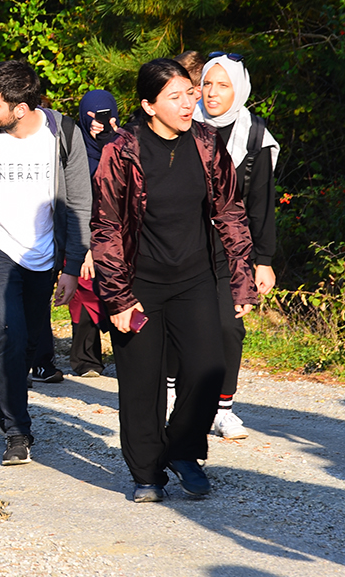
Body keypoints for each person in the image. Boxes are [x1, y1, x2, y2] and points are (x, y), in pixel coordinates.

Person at [91, 58, 257, 502]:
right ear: (149, 105)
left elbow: (230, 211)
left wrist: (242, 277)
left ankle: (183, 450)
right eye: (176, 96)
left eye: (191, 92)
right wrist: (118, 298)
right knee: (142, 381)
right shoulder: (120, 151)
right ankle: (147, 472)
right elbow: (106, 228)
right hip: (138, 285)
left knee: (208, 368)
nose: (190, 103)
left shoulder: (206, 143)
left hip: (195, 278)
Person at [0, 61, 90, 468]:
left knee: (30, 339)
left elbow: (80, 201)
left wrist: (72, 265)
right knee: (8, 330)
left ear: (21, 107)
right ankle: (16, 430)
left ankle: (4, 405)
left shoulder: (64, 134)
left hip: (43, 253)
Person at [194, 53, 280, 440]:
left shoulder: (255, 135)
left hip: (232, 245)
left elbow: (261, 203)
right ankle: (173, 397)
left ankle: (223, 408)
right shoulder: (181, 123)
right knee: (181, 324)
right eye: (207, 84)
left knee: (229, 327)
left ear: (239, 89)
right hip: (182, 239)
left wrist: (263, 260)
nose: (212, 93)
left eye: (222, 85)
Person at [70, 90, 121, 378]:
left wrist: (113, 144)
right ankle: (86, 359)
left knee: (119, 293)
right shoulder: (73, 150)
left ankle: (127, 357)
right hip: (83, 234)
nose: (97, 124)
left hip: (122, 239)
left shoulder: (127, 146)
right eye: (90, 117)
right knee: (84, 292)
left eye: (103, 116)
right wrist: (85, 247)